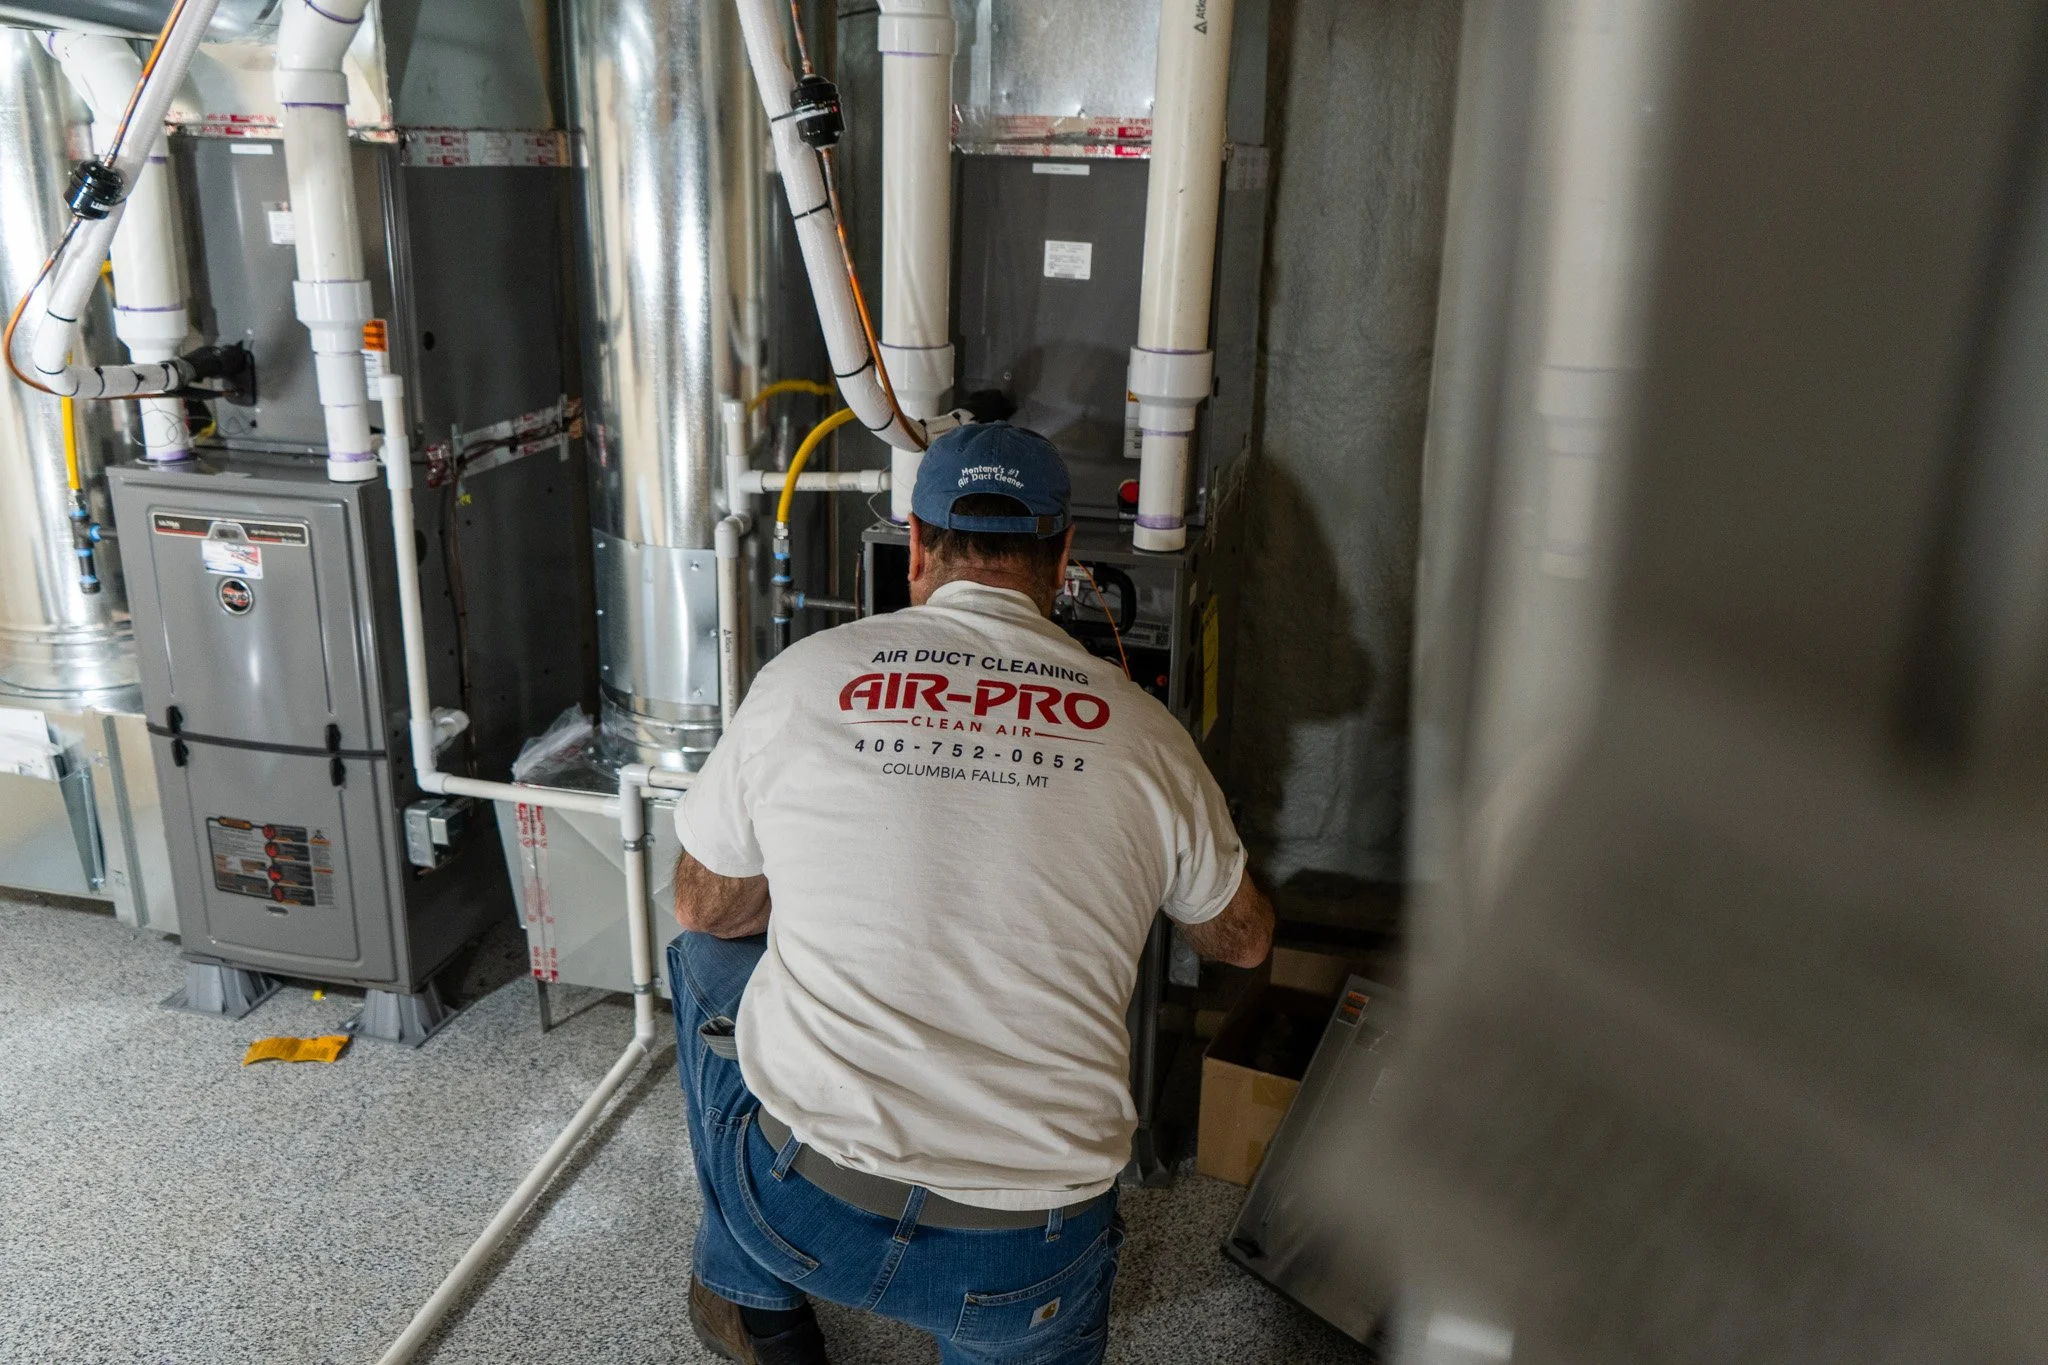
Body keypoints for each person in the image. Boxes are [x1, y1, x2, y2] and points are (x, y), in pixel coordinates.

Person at [667, 421, 1275, 1365]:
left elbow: (705, 907)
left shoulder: (804, 679)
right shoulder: (1148, 736)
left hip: (799, 1207)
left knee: (707, 960)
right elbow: (1240, 939)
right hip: (1024, 1252)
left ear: (915, 545)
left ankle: (752, 1300)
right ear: (1063, 557)